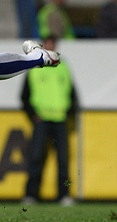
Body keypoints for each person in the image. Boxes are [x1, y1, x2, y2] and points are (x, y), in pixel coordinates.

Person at [20, 35, 77, 206]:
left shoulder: (64, 67)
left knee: (63, 160)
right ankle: (31, 195)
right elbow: (24, 96)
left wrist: (68, 114)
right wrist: (33, 116)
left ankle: (64, 195)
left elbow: (72, 95)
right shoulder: (34, 67)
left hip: (60, 120)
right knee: (36, 158)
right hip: (42, 120)